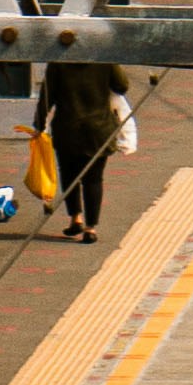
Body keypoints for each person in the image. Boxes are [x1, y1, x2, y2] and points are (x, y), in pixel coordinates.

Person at [47, 57, 127, 247]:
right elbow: (122, 86)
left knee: (69, 176)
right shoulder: (104, 59)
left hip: (67, 128)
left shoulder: (59, 60)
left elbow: (47, 96)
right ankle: (91, 228)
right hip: (98, 129)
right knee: (94, 179)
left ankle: (76, 218)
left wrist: (38, 123)